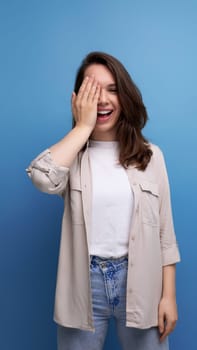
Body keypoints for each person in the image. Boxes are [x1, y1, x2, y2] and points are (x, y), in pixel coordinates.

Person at [26, 51, 181, 350]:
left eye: (112, 89)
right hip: (84, 283)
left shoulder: (151, 157)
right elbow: (42, 178)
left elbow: (165, 234)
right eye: (92, 90)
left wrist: (168, 297)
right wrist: (82, 128)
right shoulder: (72, 157)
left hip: (141, 281)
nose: (103, 100)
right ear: (78, 99)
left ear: (125, 95)